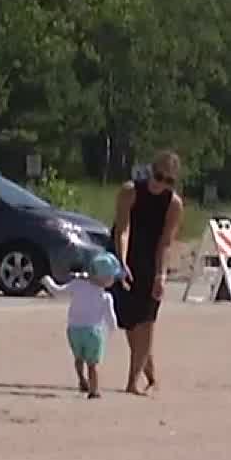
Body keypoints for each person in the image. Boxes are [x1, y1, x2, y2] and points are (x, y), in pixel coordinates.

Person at [110, 150, 186, 396]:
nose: (161, 183)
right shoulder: (130, 191)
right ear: (150, 171)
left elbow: (166, 242)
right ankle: (150, 374)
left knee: (147, 320)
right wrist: (122, 262)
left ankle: (132, 382)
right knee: (131, 322)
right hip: (125, 256)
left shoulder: (174, 204)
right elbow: (123, 229)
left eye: (168, 180)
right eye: (158, 176)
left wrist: (160, 276)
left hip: (151, 261)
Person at [41, 251, 123, 399]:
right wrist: (112, 329)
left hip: (74, 330)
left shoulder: (77, 285)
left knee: (79, 358)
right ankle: (94, 390)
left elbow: (58, 292)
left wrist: (47, 281)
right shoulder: (105, 296)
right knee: (93, 364)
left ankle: (81, 379)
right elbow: (110, 317)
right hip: (93, 332)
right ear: (107, 279)